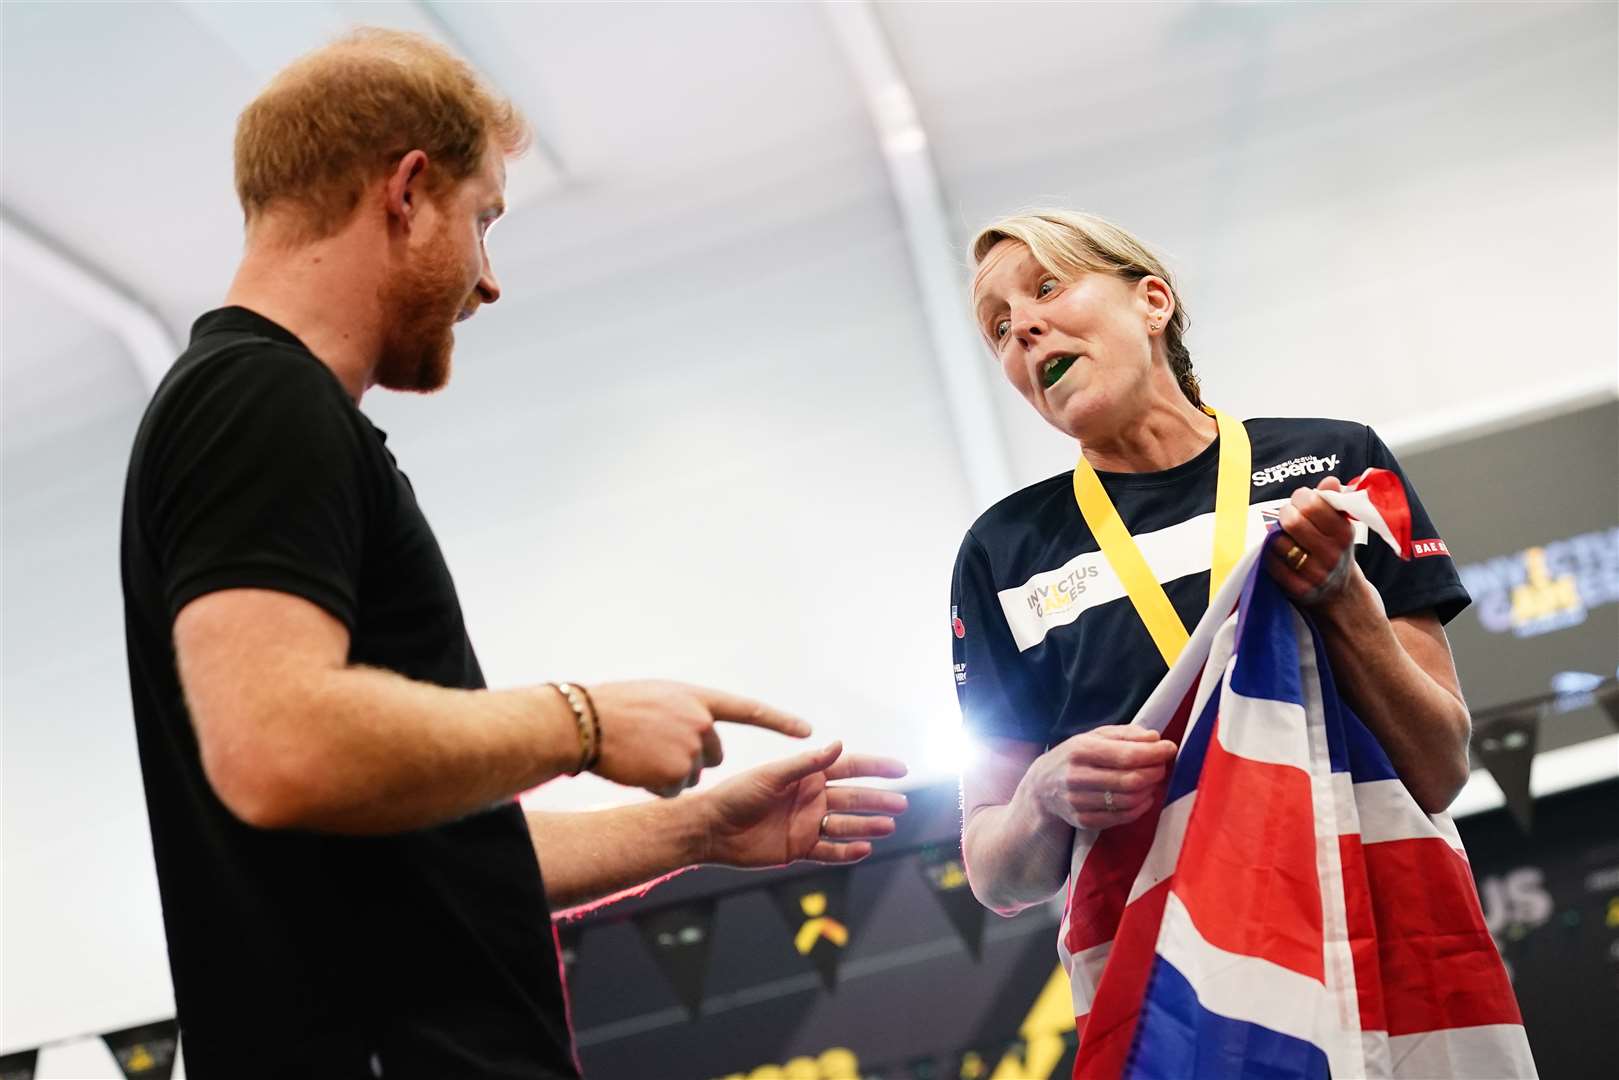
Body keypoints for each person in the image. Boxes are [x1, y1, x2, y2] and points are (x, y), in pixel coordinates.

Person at [119, 29, 906, 1079]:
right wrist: (580, 721)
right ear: (406, 191)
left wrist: (697, 832)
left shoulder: (269, 411)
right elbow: (276, 746)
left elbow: (426, 859)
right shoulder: (258, 400)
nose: (488, 282)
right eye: (482, 220)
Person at [952, 210, 1472, 921]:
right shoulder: (1003, 551)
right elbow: (994, 877)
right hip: (1167, 983)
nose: (1022, 329)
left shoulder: (1336, 464)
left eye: (1047, 286)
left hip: (1377, 929)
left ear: (1152, 302)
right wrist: (1043, 794)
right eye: (999, 328)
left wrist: (1342, 597)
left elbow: (1439, 768)